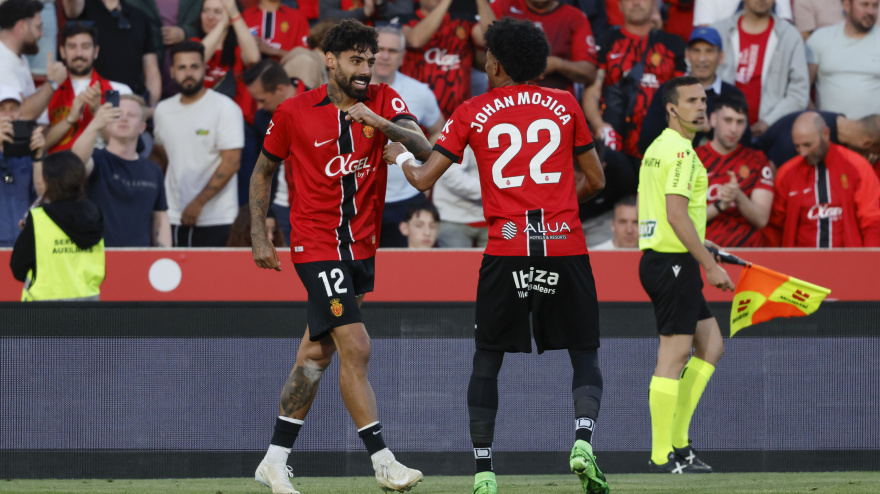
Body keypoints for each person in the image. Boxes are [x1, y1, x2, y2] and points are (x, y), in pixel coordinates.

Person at [384, 17, 609, 494]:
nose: (482, 62)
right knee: (584, 352)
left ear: (499, 64)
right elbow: (597, 180)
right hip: (565, 244)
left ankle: (484, 472)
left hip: (506, 249)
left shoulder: (472, 109)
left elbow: (424, 179)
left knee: (488, 359)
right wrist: (560, 208)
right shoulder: (566, 103)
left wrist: (399, 156)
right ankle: (583, 441)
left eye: (486, 56)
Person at [248, 19, 432, 494]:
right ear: (330, 61)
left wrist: (382, 124)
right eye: (356, 60)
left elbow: (423, 147)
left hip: (363, 247)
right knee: (358, 346)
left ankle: (273, 460)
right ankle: (384, 462)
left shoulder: (385, 101)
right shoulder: (294, 112)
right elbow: (263, 170)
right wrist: (259, 233)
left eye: (369, 61)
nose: (365, 70)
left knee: (316, 353)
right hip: (316, 245)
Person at [637, 76, 734, 474]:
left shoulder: (659, 148)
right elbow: (676, 214)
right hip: (672, 263)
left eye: (703, 99)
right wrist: (709, 266)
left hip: (671, 258)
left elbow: (670, 215)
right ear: (672, 108)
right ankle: (663, 456)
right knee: (674, 356)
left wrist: (703, 246)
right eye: (691, 100)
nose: (701, 106)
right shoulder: (679, 153)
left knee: (711, 346)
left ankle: (679, 444)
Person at [151, 40, 243, 247]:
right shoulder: (163, 110)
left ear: (204, 68)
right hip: (173, 215)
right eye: (182, 67)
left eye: (194, 66)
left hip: (218, 217)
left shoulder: (225, 108)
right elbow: (160, 155)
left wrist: (198, 203)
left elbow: (231, 163)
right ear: (172, 71)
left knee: (213, 279)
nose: (189, 73)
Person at [582, 0, 686, 160]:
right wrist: (600, 126)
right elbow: (592, 92)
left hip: (661, 146)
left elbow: (683, 97)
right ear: (619, 6)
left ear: (654, 4)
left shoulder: (674, 44)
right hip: (615, 144)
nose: (636, 3)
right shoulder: (606, 42)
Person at [765, 111, 880, 247]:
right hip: (798, 264)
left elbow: (872, 220)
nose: (803, 152)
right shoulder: (787, 173)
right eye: (797, 146)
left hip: (848, 263)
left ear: (826, 134)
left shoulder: (857, 166)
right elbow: (773, 226)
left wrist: (870, 263)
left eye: (808, 145)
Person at [373, 26, 443, 247]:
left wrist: (427, 168)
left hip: (407, 199)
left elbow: (439, 130)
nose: (385, 56)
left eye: (392, 51)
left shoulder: (419, 92)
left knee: (403, 273)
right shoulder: (349, 91)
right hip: (362, 197)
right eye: (380, 49)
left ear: (402, 56)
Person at [71, 96, 172, 247]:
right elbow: (75, 164)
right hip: (97, 258)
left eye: (131, 115)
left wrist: (164, 257)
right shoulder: (97, 159)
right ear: (108, 123)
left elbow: (160, 218)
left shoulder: (153, 170)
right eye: (117, 114)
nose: (123, 119)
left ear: (142, 127)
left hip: (139, 259)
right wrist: (95, 124)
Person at [638, 26, 751, 155]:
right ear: (687, 54)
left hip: (718, 173)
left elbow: (745, 148)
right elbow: (645, 144)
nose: (702, 58)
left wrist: (710, 129)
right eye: (696, 51)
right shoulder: (667, 91)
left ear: (721, 57)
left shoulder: (732, 95)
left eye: (709, 51)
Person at [10, 151, 105, 302]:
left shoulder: (39, 218)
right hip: (87, 307)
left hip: (44, 311)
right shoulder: (95, 215)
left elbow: (18, 268)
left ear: (48, 180)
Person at [712, 0, 809, 137]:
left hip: (771, 134)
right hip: (720, 132)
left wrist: (768, 122)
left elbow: (799, 93)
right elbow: (702, 81)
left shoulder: (790, 37)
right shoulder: (719, 31)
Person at [696, 92, 773, 247]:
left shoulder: (758, 161)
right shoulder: (691, 159)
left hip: (748, 257)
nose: (733, 129)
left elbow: (761, 220)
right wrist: (719, 206)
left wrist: (738, 196)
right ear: (713, 120)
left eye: (740, 122)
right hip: (704, 255)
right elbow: (681, 222)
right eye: (728, 120)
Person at [243, 59, 305, 246]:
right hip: (282, 207)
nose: (259, 107)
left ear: (280, 89)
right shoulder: (263, 118)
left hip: (318, 207)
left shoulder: (321, 104)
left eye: (262, 100)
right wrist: (267, 213)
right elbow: (263, 168)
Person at [397, 0, 495, 119]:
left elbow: (491, 38)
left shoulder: (463, 21)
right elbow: (415, 40)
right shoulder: (405, 19)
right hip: (415, 112)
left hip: (456, 115)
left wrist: (482, 2)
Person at [45, 22, 133, 153]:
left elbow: (124, 146)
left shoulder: (120, 91)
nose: (79, 53)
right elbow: (40, 145)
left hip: (103, 169)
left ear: (96, 51)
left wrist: (97, 110)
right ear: (62, 52)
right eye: (72, 47)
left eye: (85, 47)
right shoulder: (49, 91)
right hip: (59, 169)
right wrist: (70, 119)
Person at [63, 0, 163, 115]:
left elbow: (151, 67)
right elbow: (71, 11)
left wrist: (150, 106)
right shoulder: (82, 10)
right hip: (92, 99)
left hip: (131, 101)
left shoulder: (139, 15)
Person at [491, 0, 599, 92]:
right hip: (504, 101)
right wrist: (516, 65)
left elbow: (589, 73)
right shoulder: (503, 6)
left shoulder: (574, 17)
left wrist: (557, 64)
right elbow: (481, 49)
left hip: (554, 105)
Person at [806, 0, 880, 120]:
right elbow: (801, 88)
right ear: (847, 5)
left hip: (875, 133)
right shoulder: (821, 39)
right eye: (864, 4)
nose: (871, 11)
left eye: (875, 6)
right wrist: (817, 121)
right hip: (830, 133)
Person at [0, 0, 67, 122]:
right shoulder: (2, 61)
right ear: (22, 26)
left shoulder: (18, 57)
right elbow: (21, 114)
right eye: (38, 27)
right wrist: (53, 83)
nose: (42, 34)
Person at [0, 86, 45, 247]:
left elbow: (42, 195)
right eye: (2, 109)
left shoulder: (29, 151)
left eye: (13, 108)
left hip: (24, 244)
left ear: (20, 114)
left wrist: (39, 156)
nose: (8, 115)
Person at [758, 111, 880, 169]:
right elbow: (770, 172)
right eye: (874, 153)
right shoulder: (806, 137)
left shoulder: (835, 121)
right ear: (866, 144)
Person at [433, 145, 488, 248]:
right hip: (453, 214)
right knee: (458, 263)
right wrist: (491, 190)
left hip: (491, 215)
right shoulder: (462, 130)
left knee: (497, 262)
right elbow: (451, 174)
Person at [242, 0, 310, 61]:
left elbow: (305, 58)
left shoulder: (298, 18)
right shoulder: (244, 17)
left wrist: (275, 51)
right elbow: (238, 59)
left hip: (288, 72)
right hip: (252, 72)